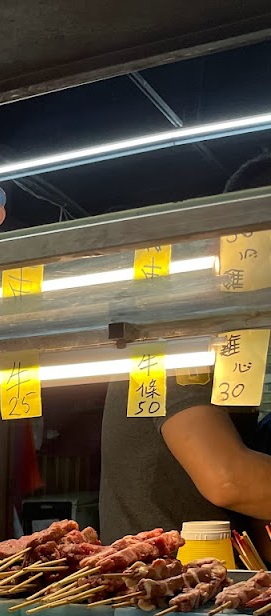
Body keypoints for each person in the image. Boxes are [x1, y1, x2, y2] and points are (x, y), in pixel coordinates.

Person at [99, 151, 271, 542]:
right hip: (157, 573)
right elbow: (228, 479)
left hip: (204, 572)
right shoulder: (178, 326)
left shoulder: (229, 339)